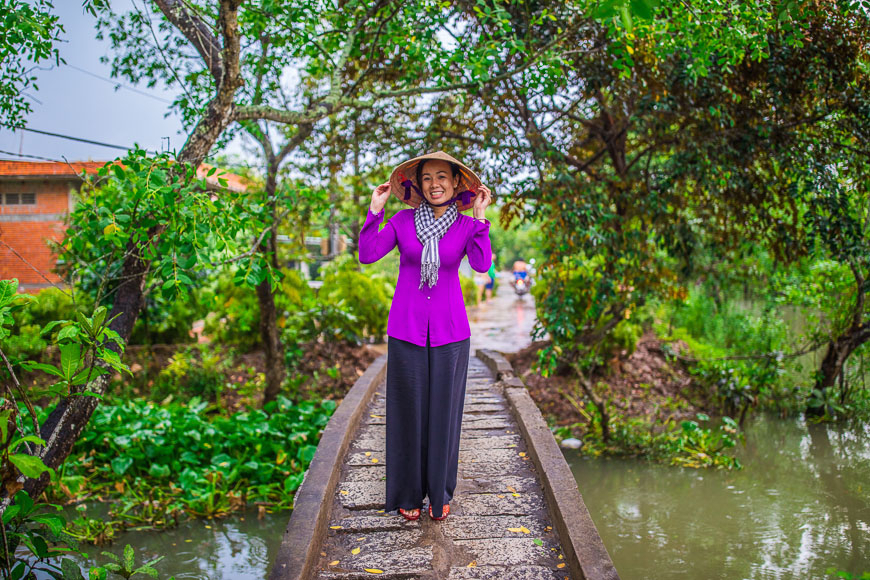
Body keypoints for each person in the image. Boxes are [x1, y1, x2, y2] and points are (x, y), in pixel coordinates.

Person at [359, 151, 493, 522]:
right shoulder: (402, 222)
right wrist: (375, 210)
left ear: (455, 184)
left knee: (444, 414)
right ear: (417, 185)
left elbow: (482, 264)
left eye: (442, 177)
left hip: (451, 333)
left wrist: (480, 219)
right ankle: (407, 493)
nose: (435, 184)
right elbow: (368, 254)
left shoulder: (466, 227)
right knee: (407, 413)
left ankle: (439, 492)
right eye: (428, 178)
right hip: (406, 330)